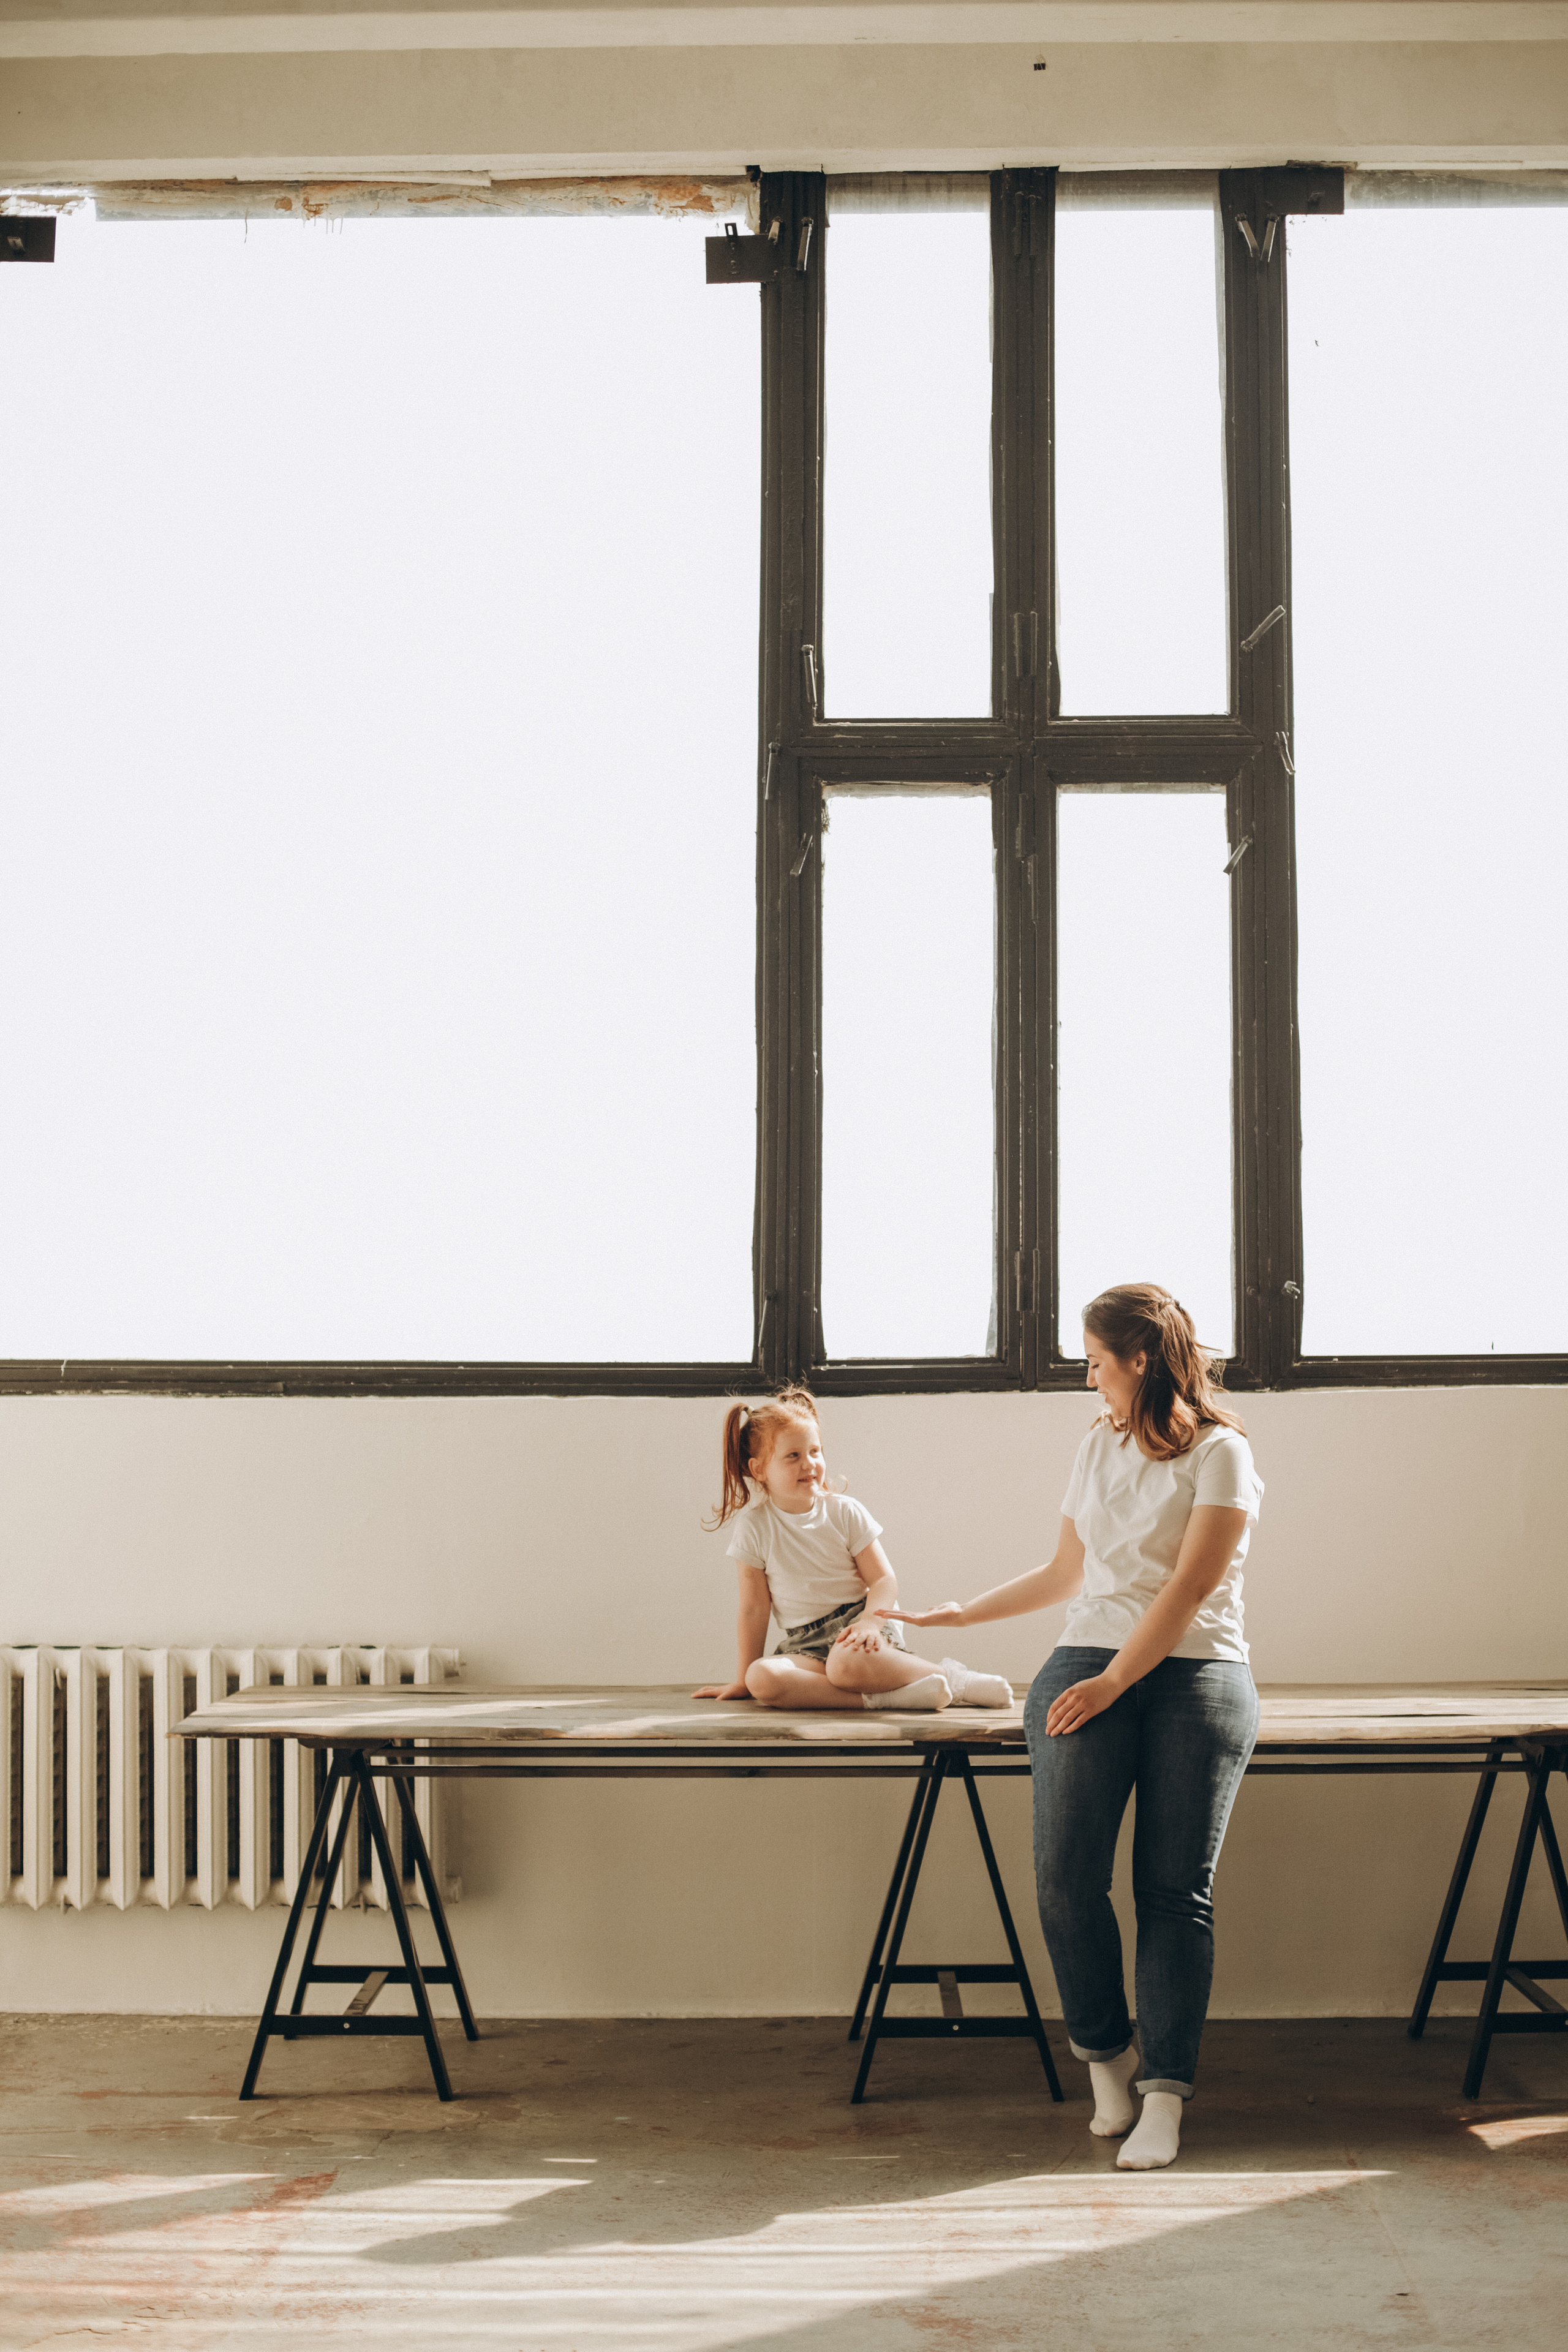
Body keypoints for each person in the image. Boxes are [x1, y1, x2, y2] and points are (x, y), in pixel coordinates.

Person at [887, 1284, 1262, 2172]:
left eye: (1095, 1360)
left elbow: (1190, 1588)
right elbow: (1068, 1571)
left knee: (1174, 1891)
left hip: (1195, 1671)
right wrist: (962, 1616)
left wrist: (1114, 1681)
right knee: (1065, 1878)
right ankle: (1109, 2061)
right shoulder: (1097, 1443)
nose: (1088, 1377)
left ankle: (1165, 2093)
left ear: (1139, 1360)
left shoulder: (1223, 1453)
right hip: (1088, 1658)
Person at [693, 1384, 1012, 1714]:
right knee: (762, 1678)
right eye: (794, 1456)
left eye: (815, 1452)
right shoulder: (754, 1528)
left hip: (859, 1623)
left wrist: (870, 1624)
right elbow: (753, 1609)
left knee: (845, 1665)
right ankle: (889, 1698)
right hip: (806, 1644)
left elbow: (884, 1581)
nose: (810, 1464)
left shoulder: (844, 1511)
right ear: (759, 1469)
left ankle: (952, 1679)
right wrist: (743, 1681)